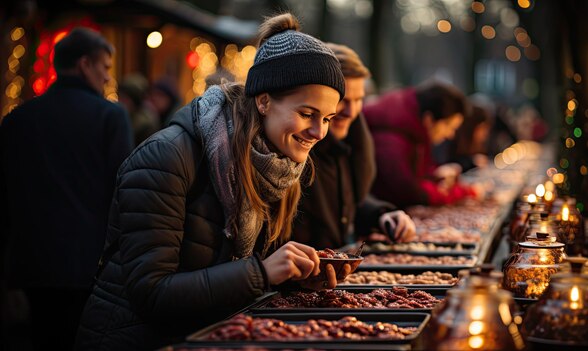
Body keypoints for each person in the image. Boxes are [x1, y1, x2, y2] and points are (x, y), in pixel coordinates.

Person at [74, 13, 346, 350]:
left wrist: (295, 278)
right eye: (307, 114)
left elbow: (231, 275)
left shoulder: (276, 163)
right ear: (263, 100)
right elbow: (150, 294)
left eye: (328, 118)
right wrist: (262, 272)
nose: (319, 132)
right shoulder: (166, 158)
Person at [0, 28, 133, 350]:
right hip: (92, 262)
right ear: (85, 64)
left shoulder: (19, 119)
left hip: (35, 263)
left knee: (45, 338)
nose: (106, 78)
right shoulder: (110, 116)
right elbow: (124, 190)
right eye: (104, 67)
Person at [292, 43, 415, 249]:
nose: (351, 111)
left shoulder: (350, 141)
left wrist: (380, 214)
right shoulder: (296, 148)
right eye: (343, 100)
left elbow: (347, 203)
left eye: (358, 100)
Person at [363, 80, 475, 207]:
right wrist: (460, 193)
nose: (450, 134)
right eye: (448, 126)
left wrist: (434, 175)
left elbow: (415, 174)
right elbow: (407, 191)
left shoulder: (414, 131)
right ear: (429, 119)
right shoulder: (392, 136)